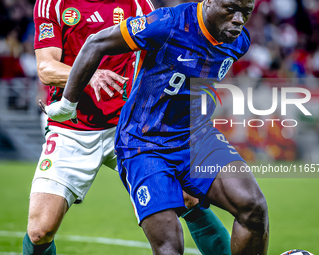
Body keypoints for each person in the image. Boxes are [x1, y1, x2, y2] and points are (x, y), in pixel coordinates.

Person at [42, 0, 269, 254]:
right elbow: (95, 43)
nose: (238, 19)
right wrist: (67, 104)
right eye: (230, 9)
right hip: (144, 144)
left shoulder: (238, 42)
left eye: (246, 12)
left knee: (253, 208)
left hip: (196, 137)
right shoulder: (167, 23)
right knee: (169, 247)